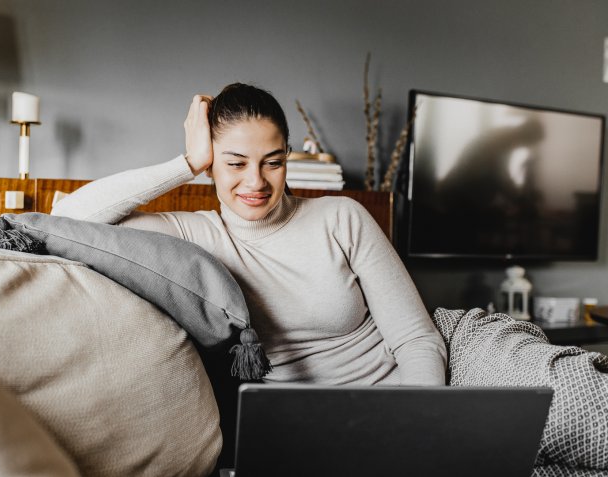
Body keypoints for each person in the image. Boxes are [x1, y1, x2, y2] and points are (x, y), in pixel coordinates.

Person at [52, 83, 446, 386]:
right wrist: (187, 162)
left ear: (286, 157)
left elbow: (416, 339)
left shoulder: (341, 218)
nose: (255, 181)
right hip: (285, 434)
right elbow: (69, 216)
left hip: (389, 405)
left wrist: (416, 426)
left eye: (272, 162)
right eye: (235, 163)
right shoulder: (193, 233)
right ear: (211, 166)